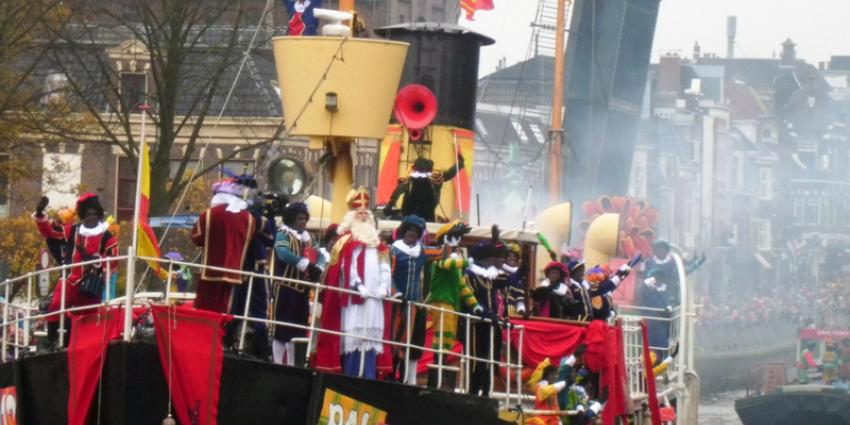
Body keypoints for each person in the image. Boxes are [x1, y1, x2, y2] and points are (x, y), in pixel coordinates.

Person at [33, 194, 119, 350]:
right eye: (88, 214)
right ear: (83, 215)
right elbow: (51, 231)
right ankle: (51, 339)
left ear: (99, 215)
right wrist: (40, 214)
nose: (91, 217)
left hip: (91, 284)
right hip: (69, 280)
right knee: (57, 305)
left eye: (94, 214)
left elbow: (114, 259)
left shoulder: (107, 237)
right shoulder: (72, 231)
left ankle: (84, 346)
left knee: (89, 317)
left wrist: (97, 260)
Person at [335, 188, 392, 378]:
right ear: (352, 216)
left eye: (365, 213)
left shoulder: (378, 245)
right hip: (356, 298)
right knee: (354, 336)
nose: (363, 216)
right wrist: (357, 285)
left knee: (371, 337)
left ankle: (368, 374)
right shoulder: (348, 241)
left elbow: (385, 266)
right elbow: (346, 266)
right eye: (359, 213)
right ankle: (351, 373)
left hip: (375, 297)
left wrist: (384, 286)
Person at [425, 220, 482, 388]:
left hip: (451, 304)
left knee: (448, 339)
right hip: (440, 301)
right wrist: (465, 263)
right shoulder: (439, 256)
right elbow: (446, 264)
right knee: (441, 337)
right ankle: (436, 376)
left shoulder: (457, 263)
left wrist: (475, 305)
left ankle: (440, 375)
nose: (456, 240)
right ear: (443, 238)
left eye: (458, 236)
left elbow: (463, 286)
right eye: (452, 236)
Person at [191, 177, 257, 313]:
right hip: (235, 274)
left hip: (209, 272)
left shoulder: (208, 214)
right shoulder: (249, 218)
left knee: (205, 310)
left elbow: (196, 238)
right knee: (226, 310)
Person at [389, 215, 441, 384]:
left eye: (415, 231)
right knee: (396, 341)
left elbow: (442, 253)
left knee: (416, 343)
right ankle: (392, 376)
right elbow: (387, 275)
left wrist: (451, 240)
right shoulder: (393, 250)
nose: (412, 234)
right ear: (404, 231)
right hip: (399, 304)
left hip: (417, 305)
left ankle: (410, 381)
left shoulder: (422, 251)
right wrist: (396, 293)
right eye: (409, 230)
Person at [270, 202, 323, 365]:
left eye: (305, 219)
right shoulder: (283, 233)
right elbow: (283, 253)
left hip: (302, 290)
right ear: (292, 219)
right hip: (286, 287)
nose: (303, 222)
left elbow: (319, 254)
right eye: (300, 219)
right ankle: (278, 362)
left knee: (298, 330)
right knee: (281, 329)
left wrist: (318, 267)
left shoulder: (309, 238)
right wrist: (306, 265)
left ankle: (293, 364)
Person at [465, 242, 502, 397]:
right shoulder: (470, 275)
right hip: (475, 323)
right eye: (492, 257)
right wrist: (486, 313)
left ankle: (486, 390)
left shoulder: (489, 277)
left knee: (489, 358)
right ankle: (472, 391)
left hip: (490, 323)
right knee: (476, 359)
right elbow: (470, 297)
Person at [383, 155, 465, 222]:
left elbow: (398, 191)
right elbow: (449, 174)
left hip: (421, 213)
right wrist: (460, 164)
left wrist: (389, 206)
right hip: (419, 213)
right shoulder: (433, 178)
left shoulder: (432, 178)